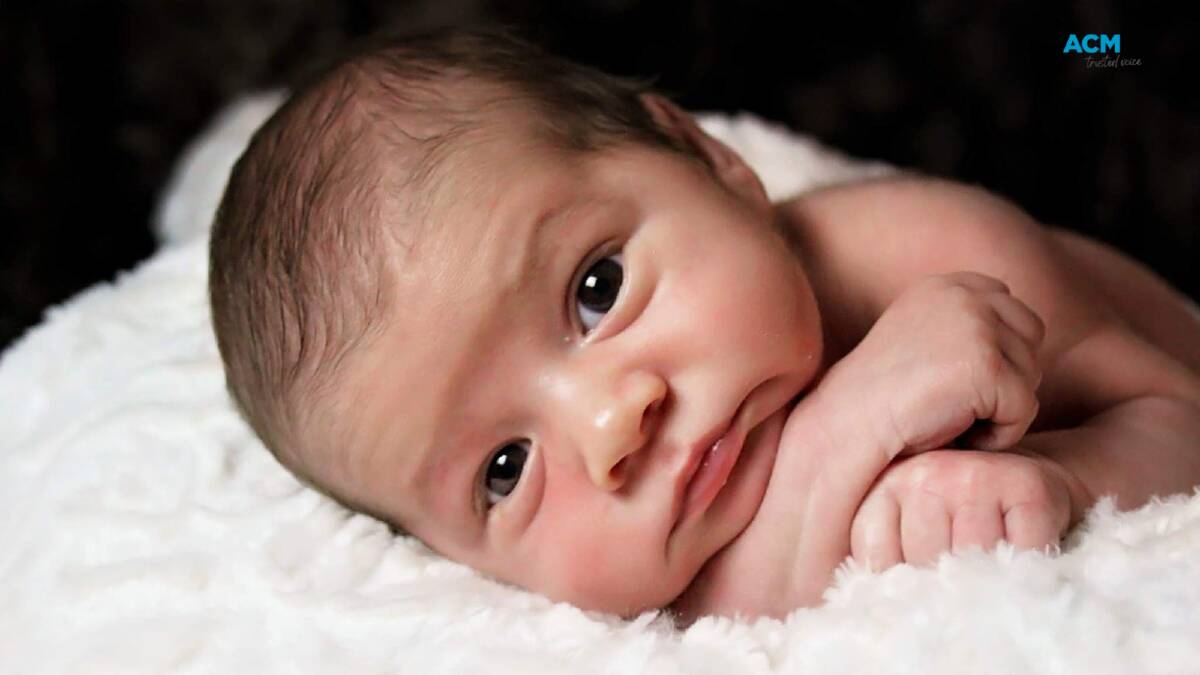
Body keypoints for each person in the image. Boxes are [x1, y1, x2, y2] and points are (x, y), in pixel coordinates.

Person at [208, 25, 1200, 627]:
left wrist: (1067, 476)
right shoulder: (615, 579)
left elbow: (1178, 411)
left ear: (709, 159)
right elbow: (710, 606)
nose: (610, 428)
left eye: (597, 289)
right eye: (502, 471)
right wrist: (842, 435)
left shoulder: (939, 254)